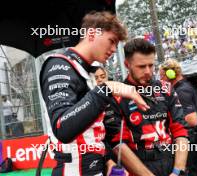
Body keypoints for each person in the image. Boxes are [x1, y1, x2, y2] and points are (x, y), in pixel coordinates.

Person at [39, 12, 150, 176]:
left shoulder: (87, 71)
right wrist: (106, 89)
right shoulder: (58, 65)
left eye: (116, 44)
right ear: (91, 34)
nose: (113, 49)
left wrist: (108, 161)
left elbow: (92, 131)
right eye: (111, 41)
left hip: (93, 167)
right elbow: (63, 129)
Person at [104, 38, 189, 176]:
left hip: (170, 162)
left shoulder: (166, 89)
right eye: (142, 67)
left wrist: (177, 171)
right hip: (138, 166)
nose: (148, 71)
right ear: (127, 65)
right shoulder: (116, 95)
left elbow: (181, 131)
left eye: (151, 65)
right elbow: (118, 145)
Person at [159, 59, 197, 176]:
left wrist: (170, 121)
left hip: (191, 140)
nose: (160, 80)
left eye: (161, 76)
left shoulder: (181, 91)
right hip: (195, 138)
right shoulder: (186, 86)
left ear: (170, 74)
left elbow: (192, 120)